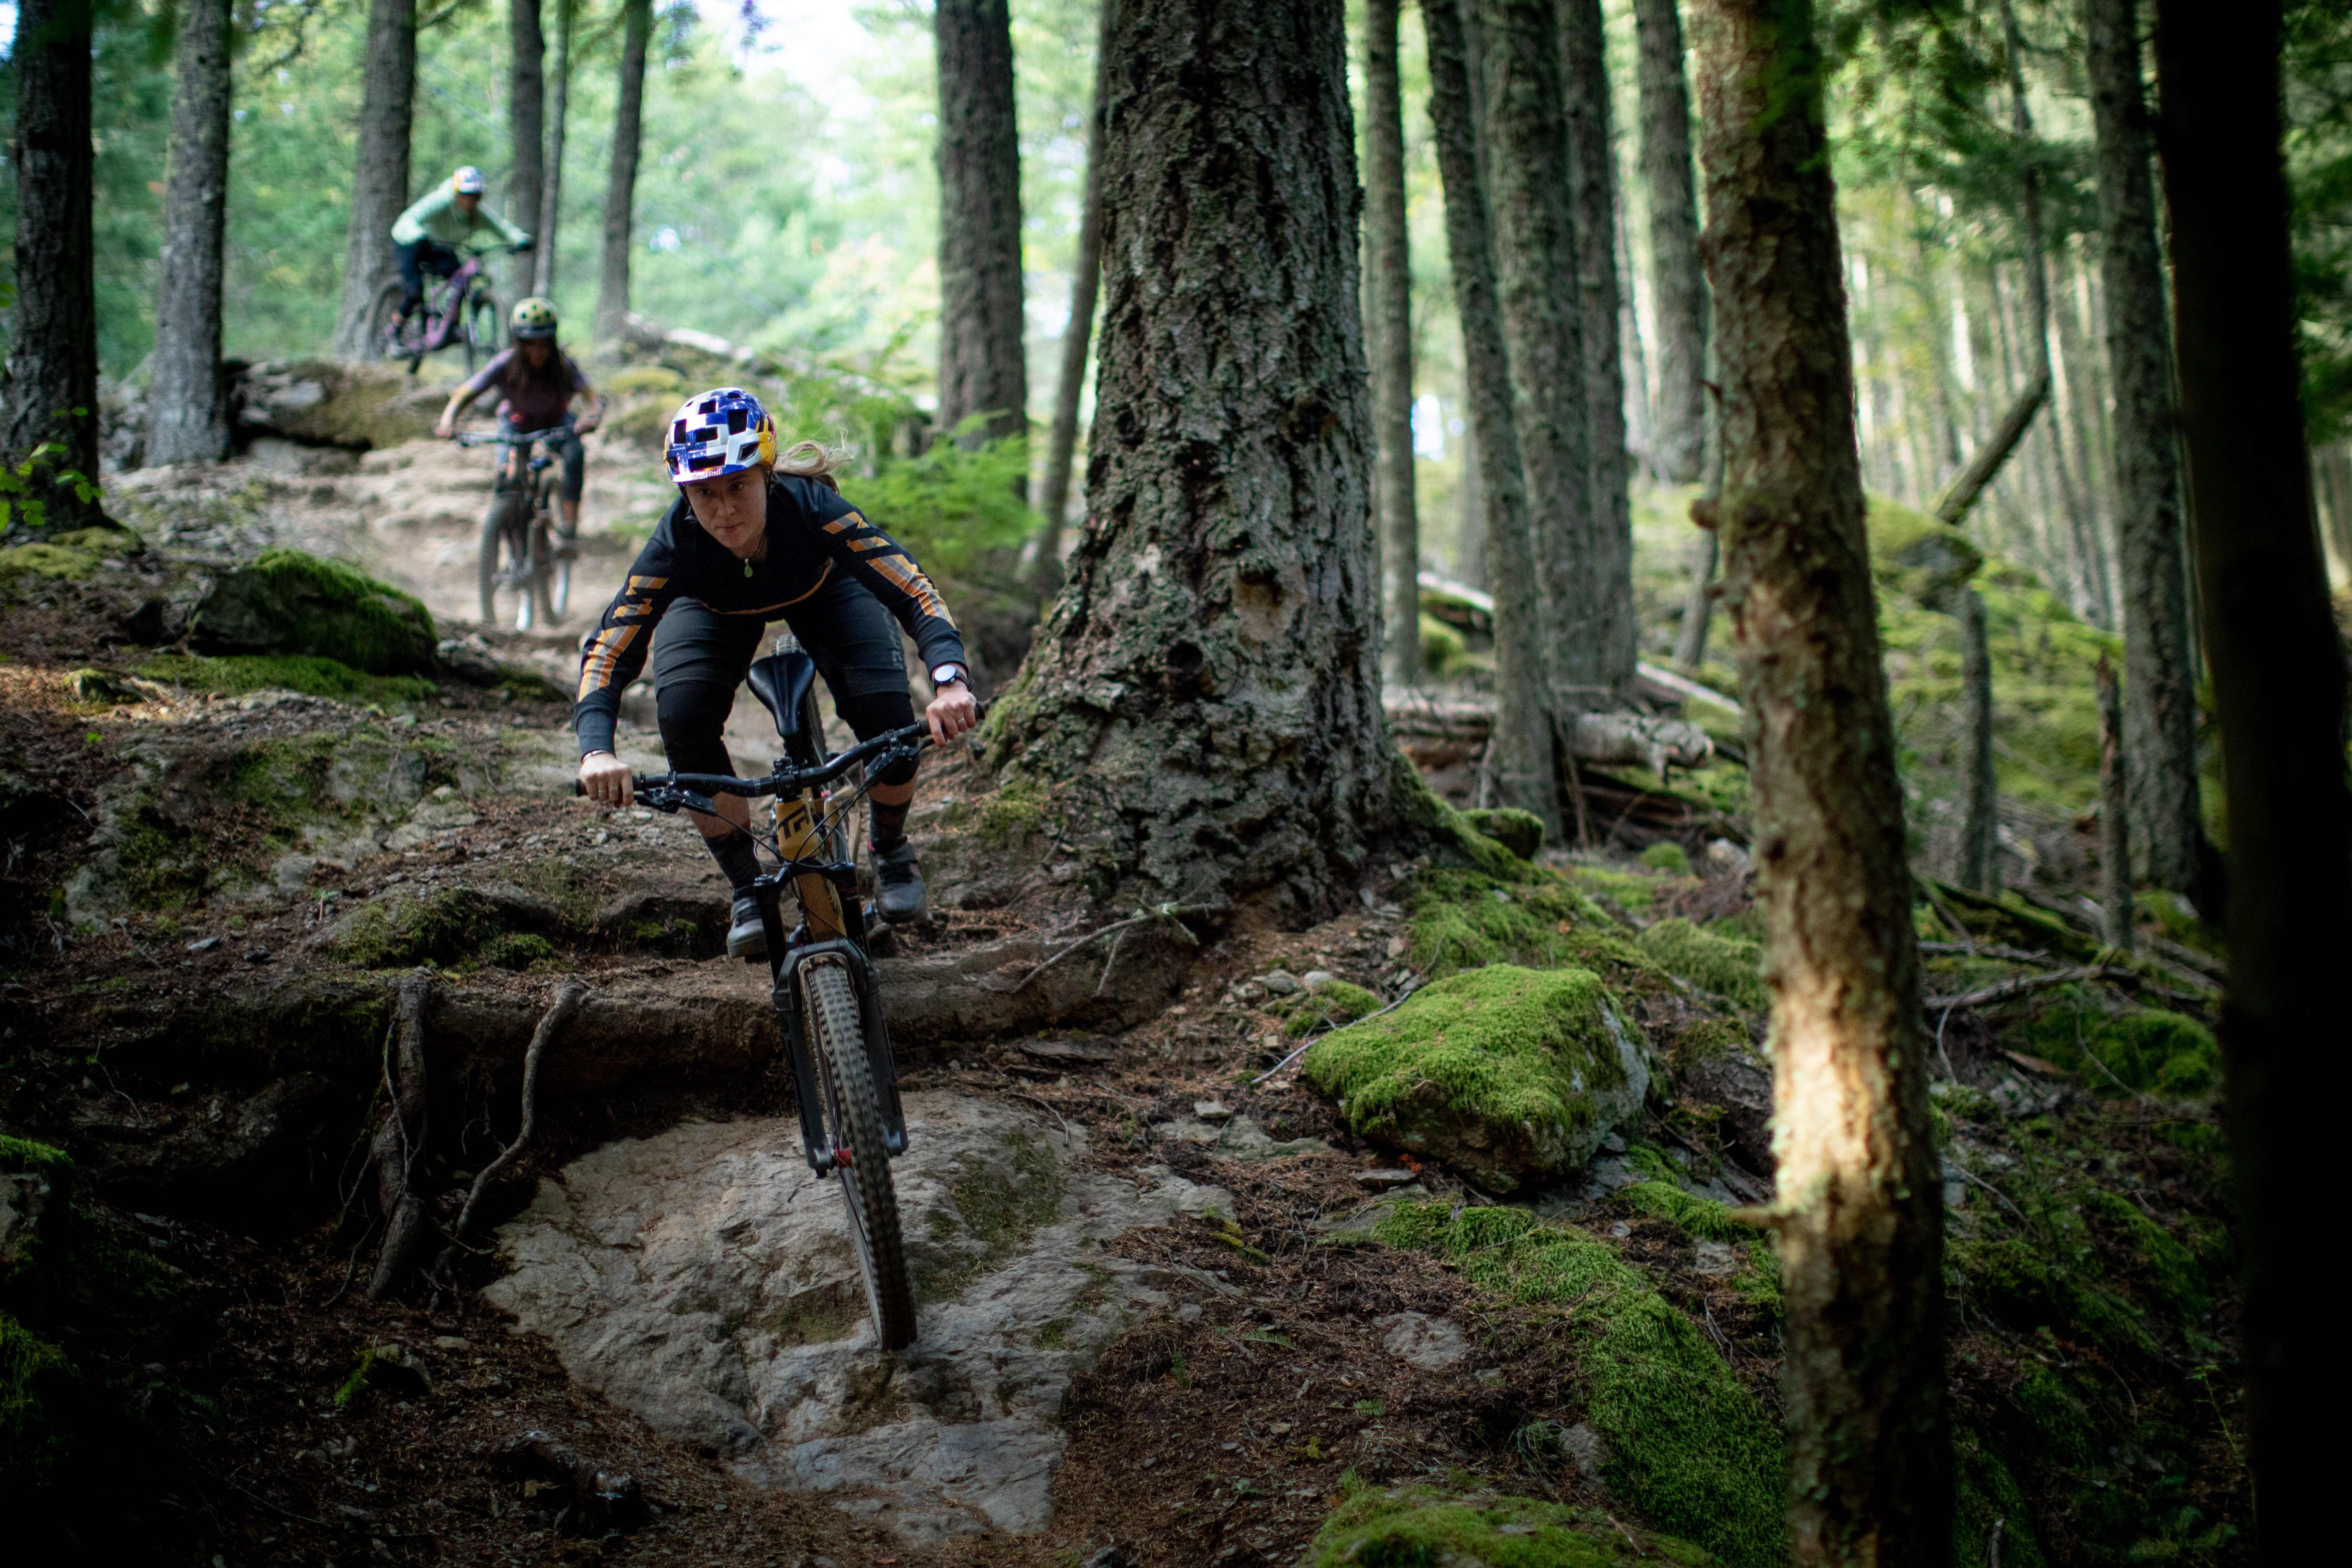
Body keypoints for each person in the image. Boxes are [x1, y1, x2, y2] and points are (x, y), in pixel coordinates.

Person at [574, 388, 979, 955]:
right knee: (683, 721)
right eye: (703, 494)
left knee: (887, 717)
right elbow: (610, 649)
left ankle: (890, 848)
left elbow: (911, 587)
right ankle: (747, 888)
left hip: (824, 589)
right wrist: (597, 750)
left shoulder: (811, 507)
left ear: (767, 474)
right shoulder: (676, 545)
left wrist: (949, 680)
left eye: (738, 486)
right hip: (713, 610)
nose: (723, 510)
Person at [434, 298, 603, 545]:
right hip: (515, 423)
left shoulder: (564, 366)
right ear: (519, 343)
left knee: (575, 454)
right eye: (530, 344)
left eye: (543, 344)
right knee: (506, 477)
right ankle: (508, 540)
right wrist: (448, 421)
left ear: (552, 341)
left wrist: (593, 417)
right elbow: (465, 393)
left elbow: (592, 397)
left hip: (557, 422)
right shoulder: (505, 364)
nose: (537, 351)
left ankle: (569, 529)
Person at [391, 166, 531, 313]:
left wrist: (521, 239)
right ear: (457, 192)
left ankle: (451, 325)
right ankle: (398, 324)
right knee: (415, 291)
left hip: (441, 249)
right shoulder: (441, 201)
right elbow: (408, 219)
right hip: (411, 243)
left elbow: (502, 228)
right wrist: (417, 235)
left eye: (476, 195)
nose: (471, 200)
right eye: (466, 194)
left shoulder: (478, 214)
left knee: (462, 281)